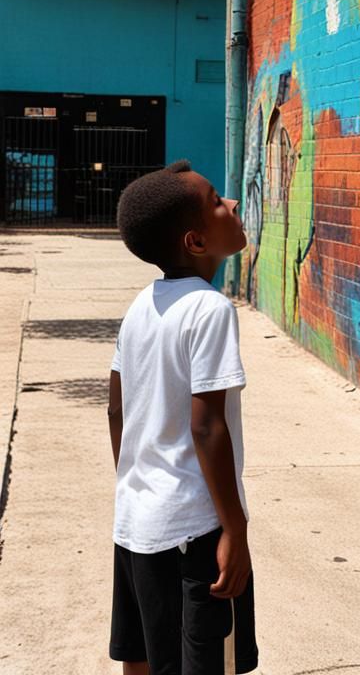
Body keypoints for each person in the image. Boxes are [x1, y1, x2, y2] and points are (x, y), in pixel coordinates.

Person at [106, 160, 258, 674]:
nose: (232, 203)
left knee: (143, 656)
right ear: (196, 242)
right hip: (194, 532)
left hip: (135, 523)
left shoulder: (139, 306)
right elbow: (207, 425)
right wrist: (234, 528)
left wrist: (137, 483)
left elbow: (115, 409)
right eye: (218, 201)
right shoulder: (210, 309)